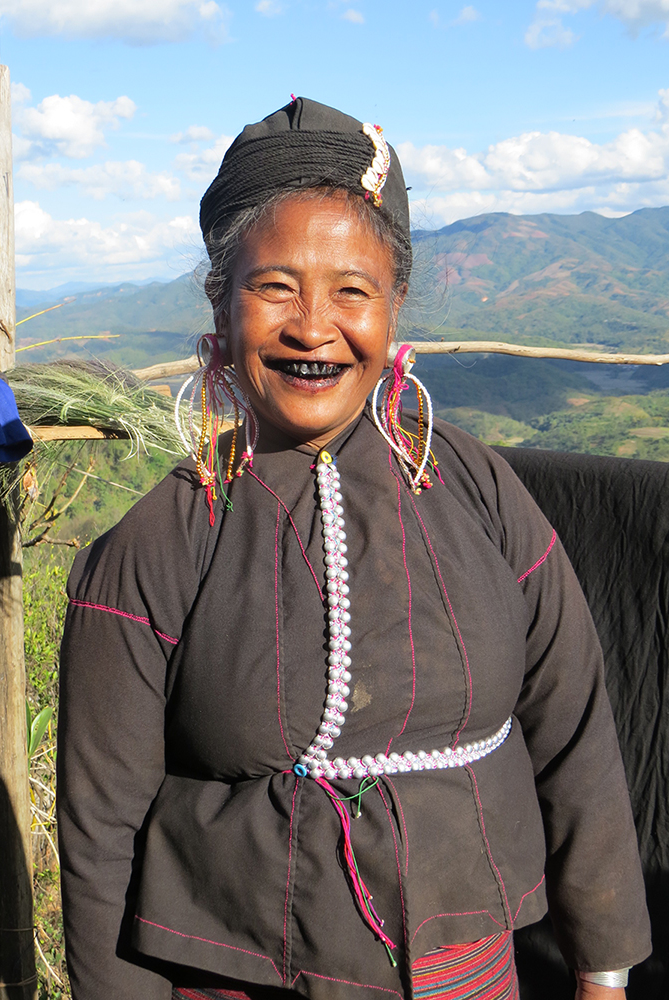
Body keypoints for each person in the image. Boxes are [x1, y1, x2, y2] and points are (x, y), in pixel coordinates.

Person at [57, 98, 651, 1000]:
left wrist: (603, 967)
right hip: (239, 975)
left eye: (351, 290)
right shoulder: (156, 548)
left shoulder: (480, 492)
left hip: (471, 971)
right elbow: (98, 833)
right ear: (221, 301)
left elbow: (573, 725)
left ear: (394, 308)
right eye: (275, 285)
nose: (312, 326)